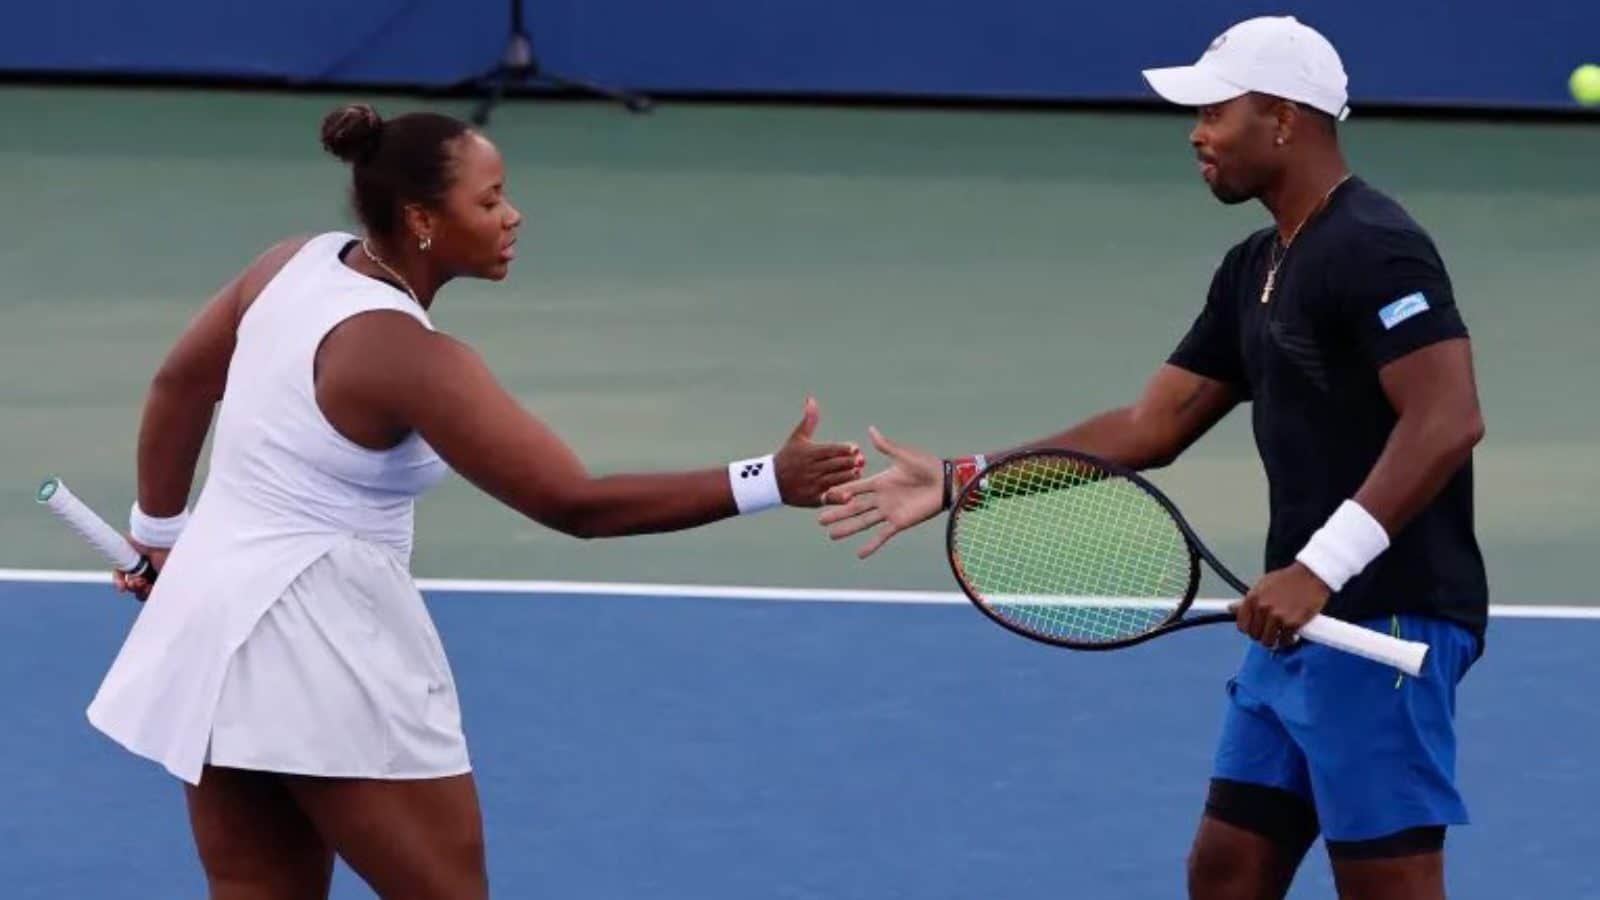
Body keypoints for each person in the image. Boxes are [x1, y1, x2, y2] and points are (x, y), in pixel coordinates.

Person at [89, 103, 864, 900]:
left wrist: (159, 533)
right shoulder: (412, 357)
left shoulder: (287, 265)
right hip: (318, 647)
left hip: (208, 622)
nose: (512, 215)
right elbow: (576, 503)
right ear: (423, 219)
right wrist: (770, 479)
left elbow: (181, 383)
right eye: (489, 201)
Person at [819, 17, 1486, 900]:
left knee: (1387, 886)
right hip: (1292, 626)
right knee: (1225, 872)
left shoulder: (1376, 246)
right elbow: (1149, 427)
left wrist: (1319, 570)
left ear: (1282, 120)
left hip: (1379, 625)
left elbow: (1448, 419)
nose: (1196, 132)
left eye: (1215, 111)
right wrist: (962, 479)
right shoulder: (1257, 262)